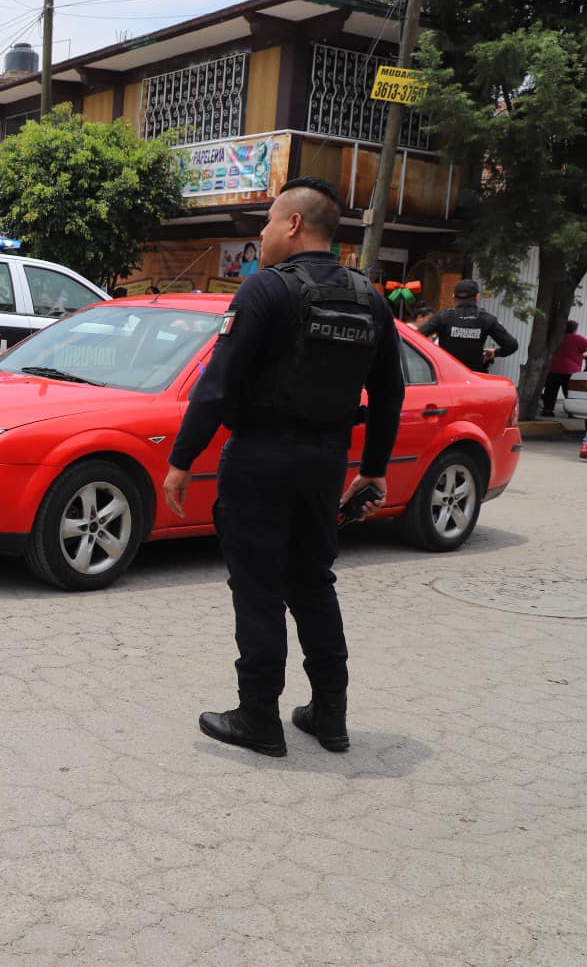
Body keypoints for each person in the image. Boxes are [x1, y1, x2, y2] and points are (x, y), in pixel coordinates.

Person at [162, 177, 405, 758]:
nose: (263, 234)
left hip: (260, 459)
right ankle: (330, 715)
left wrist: (180, 460)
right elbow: (391, 393)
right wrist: (373, 468)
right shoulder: (368, 296)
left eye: (270, 221)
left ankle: (258, 718)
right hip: (325, 461)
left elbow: (216, 386)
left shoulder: (265, 290)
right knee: (313, 582)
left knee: (258, 588)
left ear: (294, 224)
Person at [418, 279, 518, 372]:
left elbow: (416, 338)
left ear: (453, 297)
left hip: (446, 376)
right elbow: (511, 345)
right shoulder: (487, 319)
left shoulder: (442, 317)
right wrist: (495, 353)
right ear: (476, 297)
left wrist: (433, 356)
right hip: (473, 378)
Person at [543, 319, 587, 418]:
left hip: (554, 369)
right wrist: (586, 357)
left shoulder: (557, 338)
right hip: (571, 371)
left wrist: (580, 355)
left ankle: (548, 410)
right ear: (575, 329)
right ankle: (572, 413)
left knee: (550, 391)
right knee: (571, 393)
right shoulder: (578, 339)